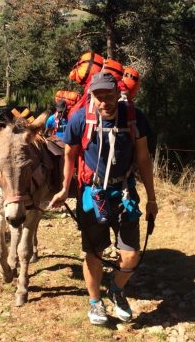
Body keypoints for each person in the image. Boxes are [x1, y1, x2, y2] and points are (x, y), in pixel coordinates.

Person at [50, 72, 158, 325]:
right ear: (92, 96)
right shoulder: (80, 119)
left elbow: (143, 158)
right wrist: (65, 188)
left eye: (108, 95)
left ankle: (117, 289)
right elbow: (69, 156)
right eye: (98, 97)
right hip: (92, 193)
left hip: (124, 191)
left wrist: (152, 198)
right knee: (94, 252)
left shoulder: (133, 117)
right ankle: (95, 302)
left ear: (117, 94)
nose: (104, 101)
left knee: (130, 256)